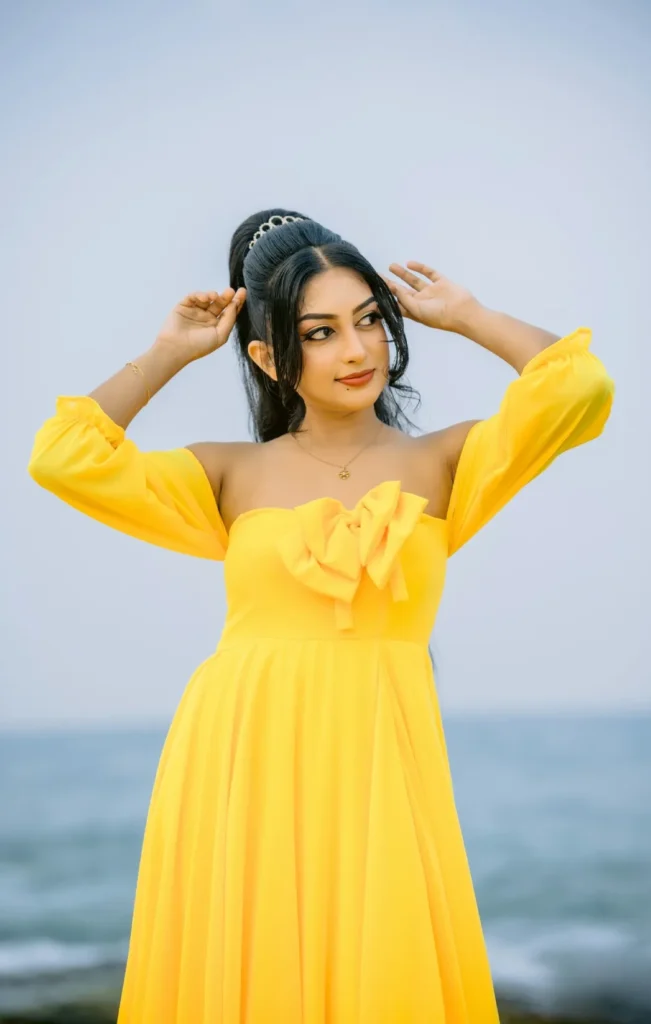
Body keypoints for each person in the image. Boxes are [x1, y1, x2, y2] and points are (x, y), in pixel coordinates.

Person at [27, 208, 615, 1023]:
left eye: (369, 320)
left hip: (384, 752)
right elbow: (62, 457)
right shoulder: (226, 473)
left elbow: (579, 388)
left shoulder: (446, 462)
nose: (356, 350)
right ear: (269, 356)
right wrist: (167, 352)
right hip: (241, 752)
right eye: (320, 332)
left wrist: (468, 316)